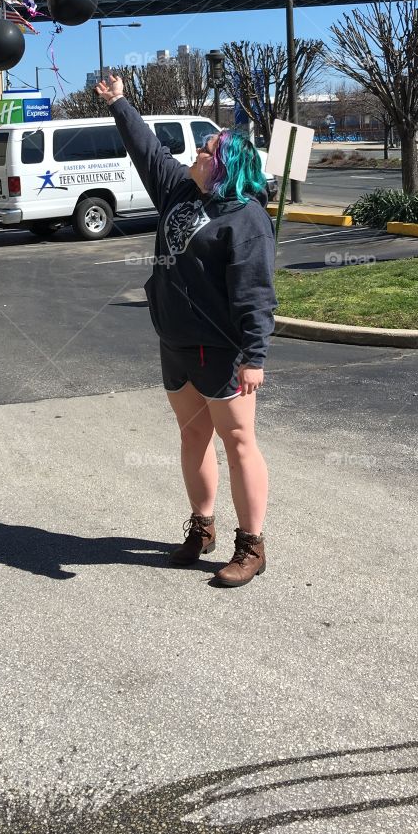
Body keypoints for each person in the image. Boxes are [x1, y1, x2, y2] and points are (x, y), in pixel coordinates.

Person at [96, 73, 277, 588]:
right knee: (193, 435)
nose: (199, 150)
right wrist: (119, 103)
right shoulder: (178, 190)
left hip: (221, 350)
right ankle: (202, 528)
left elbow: (256, 294)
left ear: (225, 165)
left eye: (208, 148)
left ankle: (252, 545)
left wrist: (254, 355)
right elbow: (147, 150)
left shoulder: (245, 218)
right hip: (175, 343)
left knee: (238, 441)